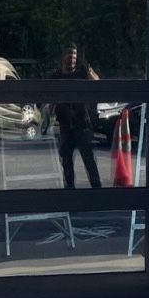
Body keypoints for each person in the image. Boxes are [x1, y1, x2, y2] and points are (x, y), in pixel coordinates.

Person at [52, 39, 102, 189]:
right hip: (65, 125)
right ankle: (70, 192)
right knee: (66, 161)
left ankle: (97, 190)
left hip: (82, 123)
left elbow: (98, 83)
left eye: (74, 54)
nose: (72, 57)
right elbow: (50, 98)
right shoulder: (56, 76)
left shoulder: (81, 72)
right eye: (69, 53)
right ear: (63, 56)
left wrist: (89, 70)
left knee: (89, 159)